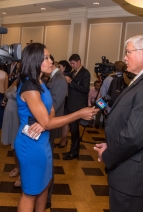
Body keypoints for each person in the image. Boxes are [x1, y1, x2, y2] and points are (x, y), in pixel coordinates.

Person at [14, 43, 99, 212]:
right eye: (46, 58)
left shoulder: (40, 83)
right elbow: (48, 122)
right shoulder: (30, 87)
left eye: (50, 56)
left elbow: (51, 110)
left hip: (42, 141)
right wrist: (79, 114)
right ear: (34, 61)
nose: (51, 61)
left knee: (45, 184)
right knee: (31, 192)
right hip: (30, 144)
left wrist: (43, 121)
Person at [94, 35, 143, 212]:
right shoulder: (142, 79)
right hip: (129, 167)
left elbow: (134, 136)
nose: (125, 57)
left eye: (128, 52)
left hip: (132, 177)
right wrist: (112, 143)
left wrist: (109, 154)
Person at [46, 55, 67, 209]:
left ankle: (47, 197)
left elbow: (53, 105)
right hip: (46, 126)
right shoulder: (53, 78)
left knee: (48, 165)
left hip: (50, 125)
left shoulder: (59, 80)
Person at [62, 54, 90, 160]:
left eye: (73, 63)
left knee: (75, 130)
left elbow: (85, 89)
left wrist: (71, 82)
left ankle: (74, 152)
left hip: (77, 106)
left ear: (79, 61)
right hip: (71, 104)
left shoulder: (85, 73)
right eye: (71, 64)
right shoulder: (74, 72)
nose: (72, 66)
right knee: (72, 131)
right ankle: (72, 150)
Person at [56, 60, 72, 147]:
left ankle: (64, 140)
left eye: (60, 67)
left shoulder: (66, 76)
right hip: (66, 99)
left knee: (66, 121)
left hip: (67, 100)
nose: (58, 68)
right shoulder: (63, 75)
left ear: (64, 67)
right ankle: (63, 139)